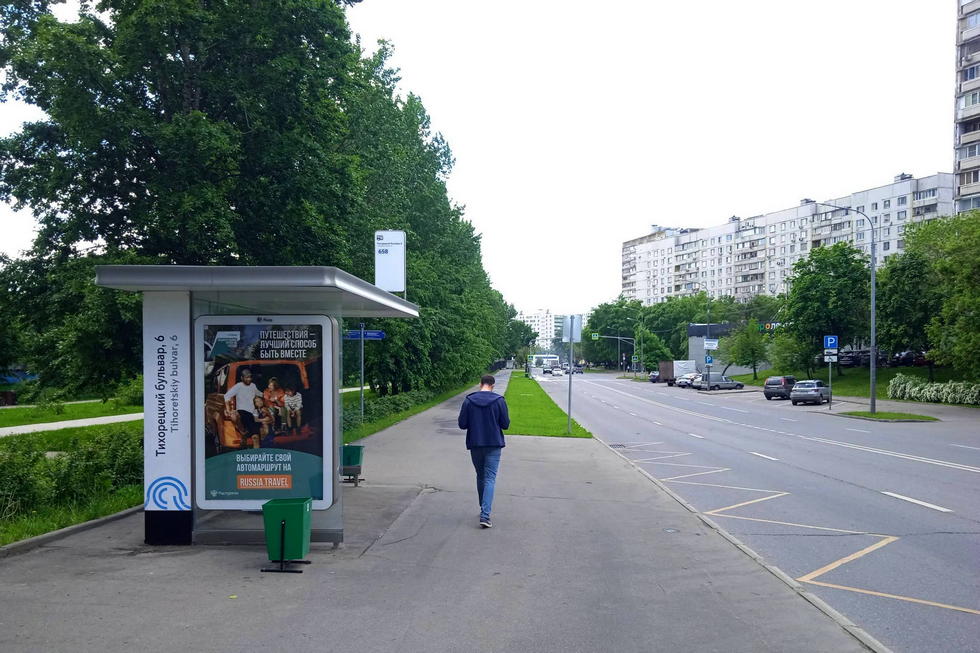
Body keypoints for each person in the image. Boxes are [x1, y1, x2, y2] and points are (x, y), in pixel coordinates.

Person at [457, 374, 510, 529]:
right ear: (492, 386)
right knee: (490, 478)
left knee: (481, 476)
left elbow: (462, 424)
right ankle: (485, 515)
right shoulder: (499, 401)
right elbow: (505, 424)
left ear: (480, 384)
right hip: (493, 444)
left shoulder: (469, 400)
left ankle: (483, 507)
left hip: (475, 443)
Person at [224, 369, 262, 445]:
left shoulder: (253, 385)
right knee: (234, 416)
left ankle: (245, 437)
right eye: (247, 377)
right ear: (242, 378)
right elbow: (227, 396)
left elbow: (259, 393)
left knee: (256, 437)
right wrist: (228, 409)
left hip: (253, 413)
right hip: (242, 412)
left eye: (250, 377)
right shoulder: (238, 386)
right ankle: (243, 432)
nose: (249, 379)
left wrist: (269, 395)